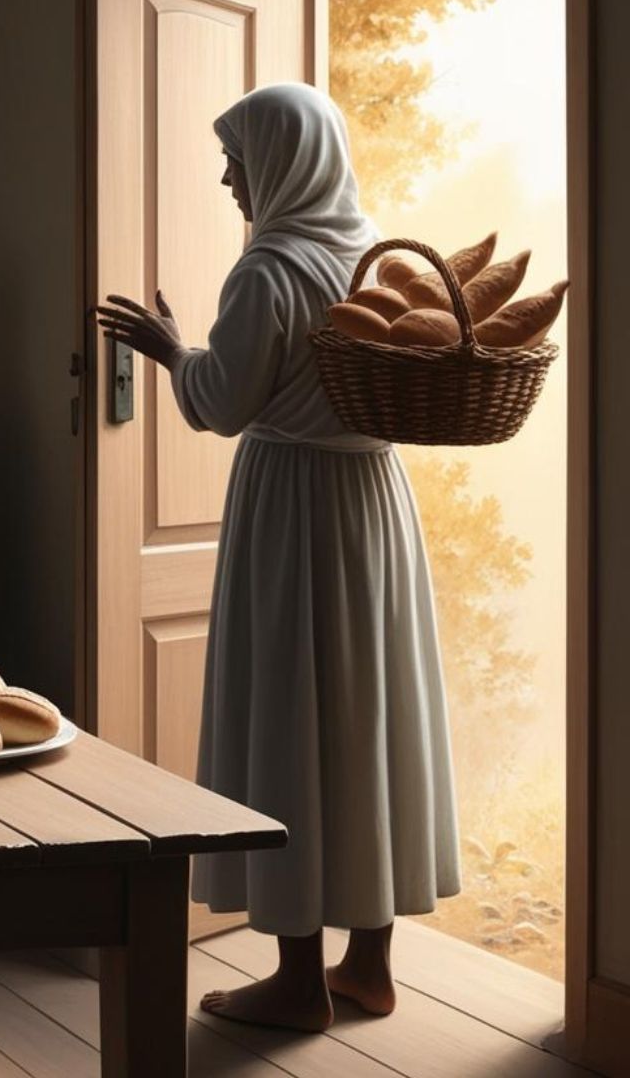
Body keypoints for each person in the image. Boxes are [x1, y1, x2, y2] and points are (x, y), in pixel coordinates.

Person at [96, 83, 458, 1031]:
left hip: (293, 510)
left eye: (239, 158)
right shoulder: (376, 259)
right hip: (374, 507)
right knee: (369, 721)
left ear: (283, 161)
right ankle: (369, 967)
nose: (227, 177)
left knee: (291, 721)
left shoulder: (270, 271)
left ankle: (299, 980)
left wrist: (173, 350)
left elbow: (222, 402)